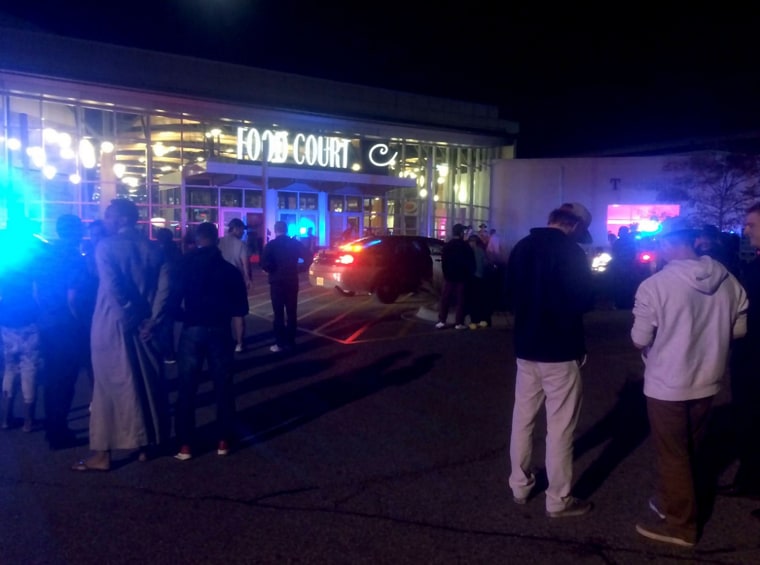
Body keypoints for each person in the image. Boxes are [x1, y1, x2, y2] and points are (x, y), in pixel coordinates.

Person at [631, 216, 747, 547]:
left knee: (672, 453)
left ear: (668, 244)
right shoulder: (728, 280)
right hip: (708, 379)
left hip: (667, 382)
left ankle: (681, 525)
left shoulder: (655, 285)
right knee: (691, 448)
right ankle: (674, 501)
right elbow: (738, 330)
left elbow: (640, 338)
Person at [505, 205, 595, 518]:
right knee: (560, 427)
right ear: (575, 226)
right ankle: (558, 499)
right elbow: (584, 300)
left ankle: (520, 484)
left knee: (523, 417)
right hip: (560, 347)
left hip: (526, 345)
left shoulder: (522, 246)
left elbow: (509, 292)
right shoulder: (571, 252)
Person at [72, 198, 171, 472]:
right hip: (147, 327)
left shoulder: (105, 247)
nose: (105, 221)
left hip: (112, 324)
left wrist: (131, 318)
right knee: (145, 383)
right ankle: (144, 444)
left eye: (108, 216)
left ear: (122, 219)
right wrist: (152, 321)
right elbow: (165, 289)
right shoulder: (155, 249)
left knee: (107, 388)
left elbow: (113, 288)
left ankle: (102, 454)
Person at [172, 222, 249, 460]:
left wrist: (187, 316)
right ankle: (223, 440)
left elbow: (172, 302)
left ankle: (185, 444)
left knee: (187, 386)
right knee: (223, 386)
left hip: (193, 328)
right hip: (219, 329)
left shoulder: (184, 265)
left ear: (196, 240)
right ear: (216, 240)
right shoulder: (228, 270)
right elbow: (241, 307)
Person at [36, 214, 91, 449]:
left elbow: (36, 291)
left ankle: (52, 427)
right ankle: (59, 432)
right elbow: (73, 298)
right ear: (77, 232)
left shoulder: (45, 255)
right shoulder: (74, 258)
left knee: (51, 379)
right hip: (67, 326)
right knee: (66, 381)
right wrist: (82, 323)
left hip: (47, 322)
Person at [720, 204, 760, 508]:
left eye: (751, 225)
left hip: (755, 355)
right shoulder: (752, 261)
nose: (746, 231)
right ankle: (749, 479)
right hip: (748, 355)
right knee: (748, 418)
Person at [0, 221, 45, 432]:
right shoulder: (32, 260)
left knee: (9, 369)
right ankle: (28, 421)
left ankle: (5, 418)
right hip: (28, 321)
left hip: (7, 321)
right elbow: (37, 292)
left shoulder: (5, 259)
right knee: (30, 369)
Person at [260, 221, 312, 353]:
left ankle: (279, 343)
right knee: (291, 312)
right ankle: (291, 342)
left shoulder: (271, 245)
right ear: (286, 230)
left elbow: (264, 263)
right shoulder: (294, 243)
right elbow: (308, 256)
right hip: (291, 280)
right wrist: (300, 268)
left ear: (276, 230)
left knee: (278, 314)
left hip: (276, 282)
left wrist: (271, 269)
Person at [219, 218, 251, 353]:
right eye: (242, 229)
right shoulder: (241, 245)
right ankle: (239, 343)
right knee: (238, 314)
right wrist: (248, 279)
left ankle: (224, 342)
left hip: (220, 280)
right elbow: (245, 264)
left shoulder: (219, 242)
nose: (243, 232)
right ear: (236, 229)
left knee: (222, 314)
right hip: (236, 281)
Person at [435, 223, 475, 330]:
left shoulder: (448, 246)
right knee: (461, 301)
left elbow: (444, 262)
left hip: (449, 278)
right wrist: (469, 275)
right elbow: (471, 262)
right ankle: (459, 323)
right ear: (461, 233)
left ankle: (442, 320)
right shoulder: (465, 246)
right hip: (462, 278)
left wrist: (446, 274)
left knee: (445, 299)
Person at [154, 227, 182, 364]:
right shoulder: (176, 250)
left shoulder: (161, 252)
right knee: (169, 321)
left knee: (165, 322)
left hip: (165, 289)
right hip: (176, 289)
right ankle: (169, 351)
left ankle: (168, 353)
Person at [466, 235, 489, 329]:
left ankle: (474, 321)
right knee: (480, 300)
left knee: (472, 300)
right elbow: (485, 263)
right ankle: (482, 320)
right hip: (480, 278)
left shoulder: (469, 251)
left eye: (472, 241)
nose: (471, 243)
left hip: (472, 278)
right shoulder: (481, 251)